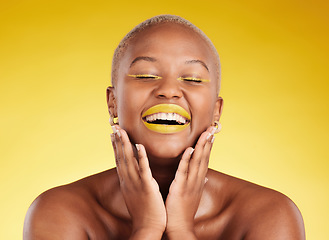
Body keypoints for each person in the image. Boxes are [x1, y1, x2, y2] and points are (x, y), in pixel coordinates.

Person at [23, 15, 305, 240]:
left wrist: (181, 230)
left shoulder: (270, 214)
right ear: (113, 103)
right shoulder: (58, 211)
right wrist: (146, 229)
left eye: (193, 79)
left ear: (216, 111)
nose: (169, 91)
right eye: (146, 75)